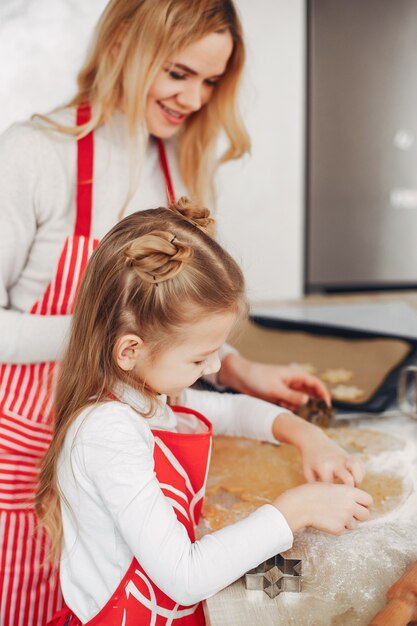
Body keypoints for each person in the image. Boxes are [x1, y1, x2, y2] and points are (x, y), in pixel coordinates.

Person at [0, 1, 330, 624]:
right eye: (179, 73)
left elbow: (173, 325)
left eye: (210, 82)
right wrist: (104, 325)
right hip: (24, 466)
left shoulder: (179, 162)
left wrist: (235, 368)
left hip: (134, 456)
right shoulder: (36, 154)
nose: (195, 99)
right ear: (124, 40)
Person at [35, 200, 372, 626]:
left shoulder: (145, 393)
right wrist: (295, 511)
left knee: (298, 593)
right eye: (200, 360)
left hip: (173, 609)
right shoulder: (107, 431)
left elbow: (232, 411)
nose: (215, 369)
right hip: (138, 613)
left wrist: (308, 436)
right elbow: (185, 575)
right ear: (130, 350)